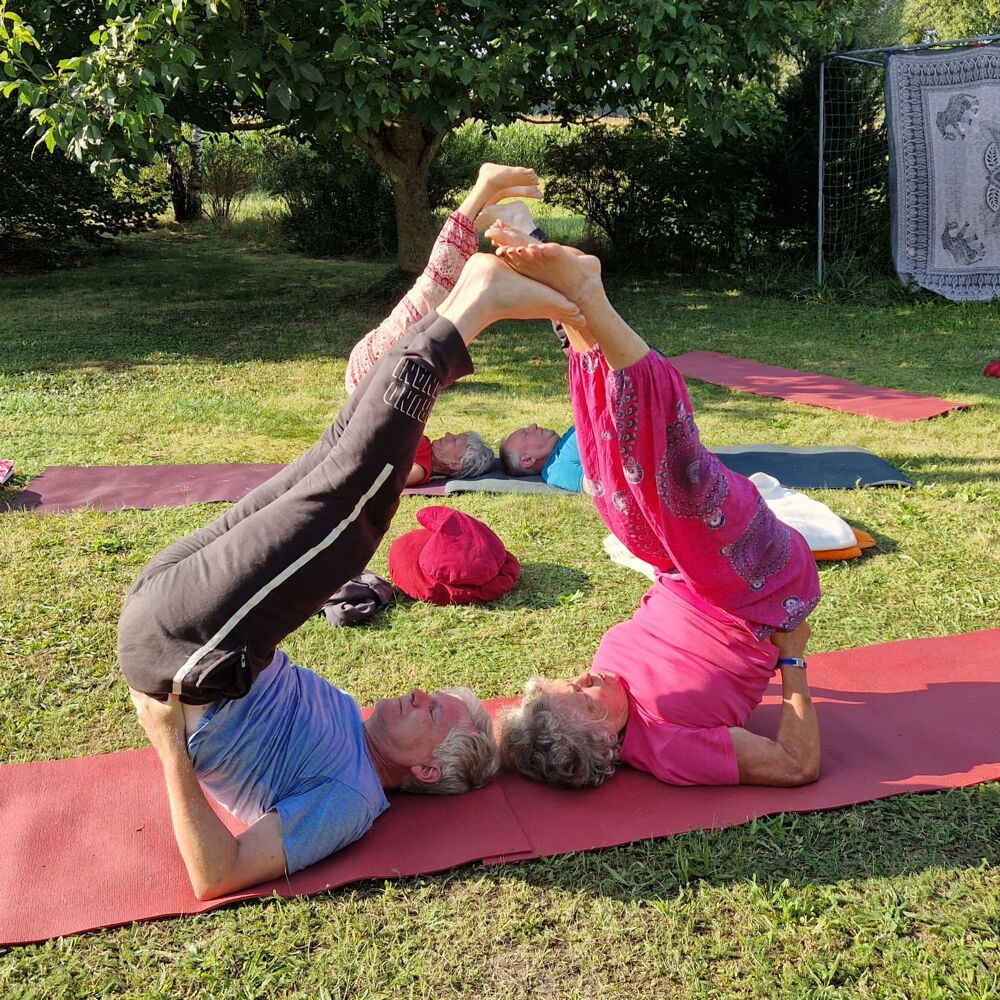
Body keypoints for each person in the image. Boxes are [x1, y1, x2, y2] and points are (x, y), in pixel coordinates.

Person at [122, 246, 586, 900]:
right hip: (191, 615)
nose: (420, 691)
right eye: (435, 696)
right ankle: (459, 308)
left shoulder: (351, 799)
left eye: (433, 711)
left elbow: (215, 875)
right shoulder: (348, 720)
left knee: (352, 515)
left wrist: (167, 744)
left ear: (427, 770)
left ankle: (472, 312)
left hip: (182, 656)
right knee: (333, 454)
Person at [488, 238, 822, 790]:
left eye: (568, 681)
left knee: (610, 483)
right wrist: (792, 660)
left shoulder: (607, 673)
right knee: (670, 476)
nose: (583, 674)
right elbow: (796, 766)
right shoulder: (668, 743)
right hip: (756, 587)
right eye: (583, 695)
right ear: (604, 742)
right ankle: (589, 298)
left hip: (685, 567)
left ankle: (570, 314)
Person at [346, 163, 547, 486]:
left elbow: (390, 477)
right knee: (442, 289)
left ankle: (490, 194)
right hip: (382, 375)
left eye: (456, 442)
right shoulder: (419, 446)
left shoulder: (421, 463)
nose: (450, 433)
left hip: (373, 379)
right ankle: (492, 199)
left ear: (454, 464)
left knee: (435, 287)